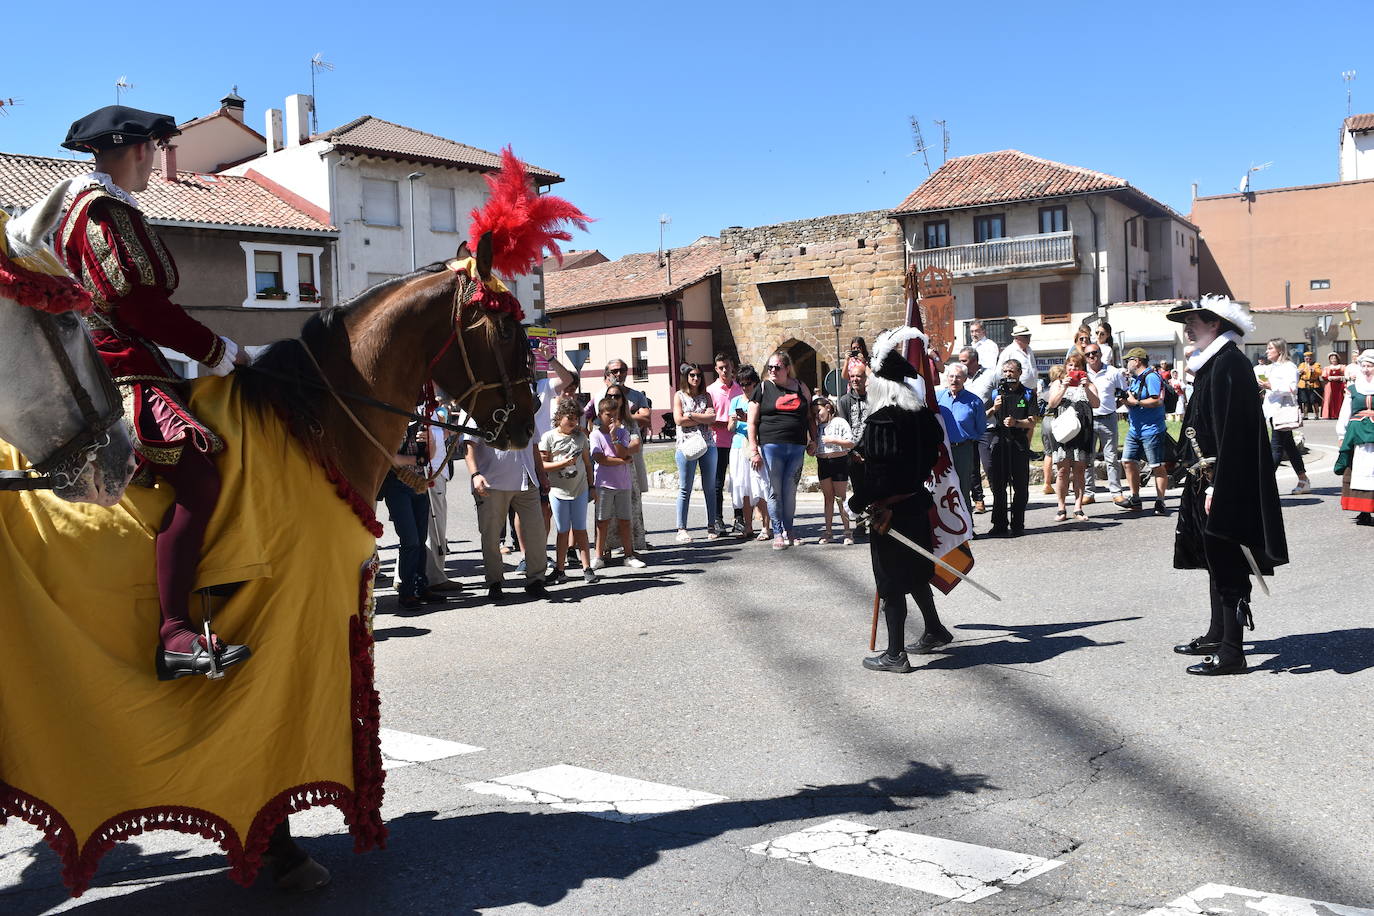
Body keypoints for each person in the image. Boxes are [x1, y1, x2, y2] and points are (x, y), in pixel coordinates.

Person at [56, 105, 250, 680]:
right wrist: (215, 348)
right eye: (160, 150)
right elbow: (138, 304)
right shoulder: (105, 211)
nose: (160, 161)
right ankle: (175, 632)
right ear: (141, 150)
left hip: (123, 360)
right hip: (124, 369)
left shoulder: (85, 209)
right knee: (198, 480)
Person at [1167, 297, 1287, 675]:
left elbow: (1233, 434)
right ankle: (1218, 632)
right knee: (1212, 558)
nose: (1187, 327)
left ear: (1215, 324)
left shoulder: (1229, 363)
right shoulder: (1211, 363)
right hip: (1204, 478)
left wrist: (1218, 487)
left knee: (1228, 562)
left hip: (1223, 481)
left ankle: (1232, 652)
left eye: (1194, 321)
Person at [850, 327, 953, 673]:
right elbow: (928, 453)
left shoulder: (882, 421)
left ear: (881, 383)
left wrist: (857, 503)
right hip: (916, 503)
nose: (865, 385)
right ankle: (935, 629)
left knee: (892, 582)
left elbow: (878, 477)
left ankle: (894, 654)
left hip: (890, 513)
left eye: (869, 380)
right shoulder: (920, 416)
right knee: (917, 572)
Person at [463, 431, 547, 600]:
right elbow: (468, 444)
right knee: (491, 536)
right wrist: (475, 474)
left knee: (537, 532)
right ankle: (494, 582)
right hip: (491, 482)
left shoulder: (525, 408)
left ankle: (536, 580)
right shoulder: (479, 406)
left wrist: (542, 474)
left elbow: (534, 445)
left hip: (526, 479)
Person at [748, 349, 816, 549]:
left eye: (777, 367)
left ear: (787, 368)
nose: (772, 371)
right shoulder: (762, 388)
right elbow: (752, 422)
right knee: (774, 491)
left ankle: (790, 530)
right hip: (771, 446)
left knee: (790, 492)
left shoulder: (801, 387)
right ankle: (777, 532)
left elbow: (809, 416)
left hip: (796, 447)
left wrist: (814, 440)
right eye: (770, 367)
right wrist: (754, 450)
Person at [586, 359, 651, 552]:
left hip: (627, 472)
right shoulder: (599, 408)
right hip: (606, 475)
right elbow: (587, 418)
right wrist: (621, 456)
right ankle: (603, 551)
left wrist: (627, 421)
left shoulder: (635, 400)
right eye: (615, 370)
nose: (619, 373)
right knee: (604, 514)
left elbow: (637, 440)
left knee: (628, 511)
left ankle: (629, 549)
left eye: (622, 369)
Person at [539, 400, 598, 584]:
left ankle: (587, 568)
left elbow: (588, 464)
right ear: (559, 417)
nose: (573, 422)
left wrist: (592, 486)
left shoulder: (580, 437)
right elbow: (542, 465)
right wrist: (563, 464)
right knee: (562, 530)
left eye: (576, 419)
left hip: (579, 490)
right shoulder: (548, 437)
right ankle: (560, 569)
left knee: (580, 529)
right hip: (557, 491)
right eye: (569, 418)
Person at [382, 416, 437, 608]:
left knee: (420, 540)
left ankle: (420, 586)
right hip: (397, 486)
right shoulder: (390, 420)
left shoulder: (421, 420)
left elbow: (431, 455)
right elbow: (388, 456)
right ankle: (406, 592)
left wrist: (430, 440)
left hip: (418, 484)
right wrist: (416, 459)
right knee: (410, 540)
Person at [590, 397, 648, 570]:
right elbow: (600, 458)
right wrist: (622, 462)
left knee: (625, 520)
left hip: (623, 484)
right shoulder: (595, 434)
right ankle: (599, 555)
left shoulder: (622, 432)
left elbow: (622, 453)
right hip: (604, 484)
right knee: (602, 521)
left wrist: (615, 437)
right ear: (600, 415)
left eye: (615, 415)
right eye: (609, 415)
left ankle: (628, 555)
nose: (612, 419)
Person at [1044, 352, 1100, 522]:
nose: (1073, 369)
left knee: (1080, 471)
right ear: (1066, 367)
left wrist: (1085, 386)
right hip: (1063, 432)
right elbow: (1052, 404)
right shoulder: (1058, 383)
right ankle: (1061, 507)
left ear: (1083, 369)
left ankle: (1078, 507)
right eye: (1070, 365)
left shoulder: (1089, 384)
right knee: (1062, 471)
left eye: (1077, 366)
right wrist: (1064, 388)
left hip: (1083, 433)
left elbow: (1096, 404)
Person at [987, 359, 1038, 537]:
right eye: (1005, 371)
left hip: (1019, 443)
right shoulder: (996, 393)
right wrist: (994, 408)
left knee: (1020, 487)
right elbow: (984, 416)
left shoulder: (1028, 394)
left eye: (1011, 371)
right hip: (1000, 442)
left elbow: (1033, 421)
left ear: (1019, 372)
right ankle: (999, 524)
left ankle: (1018, 523)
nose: (1008, 374)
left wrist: (1016, 423)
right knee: (999, 486)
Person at [1257, 339, 1313, 496]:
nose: (1267, 351)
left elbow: (1292, 388)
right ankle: (1303, 479)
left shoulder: (1289, 367)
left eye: (1270, 348)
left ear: (1280, 350)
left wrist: (1271, 386)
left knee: (1275, 448)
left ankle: (1263, 483)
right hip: (1273, 411)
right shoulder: (1271, 368)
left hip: (1282, 411)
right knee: (1289, 446)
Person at [672, 363, 720, 542]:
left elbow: (712, 418)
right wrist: (701, 417)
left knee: (710, 487)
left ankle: (711, 525)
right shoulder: (679, 396)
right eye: (692, 375)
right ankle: (681, 528)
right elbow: (678, 420)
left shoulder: (706, 395)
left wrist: (690, 415)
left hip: (708, 445)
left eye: (699, 375)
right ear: (686, 376)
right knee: (685, 488)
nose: (696, 378)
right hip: (686, 446)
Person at [1120, 347, 1170, 516]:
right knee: (1127, 461)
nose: (1127, 363)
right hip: (1135, 429)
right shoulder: (1135, 379)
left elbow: (1157, 401)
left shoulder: (1151, 377)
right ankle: (1135, 498)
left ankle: (1160, 501)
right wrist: (1125, 399)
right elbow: (1133, 400)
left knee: (1157, 466)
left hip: (1152, 429)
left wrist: (1136, 403)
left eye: (1129, 360)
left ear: (1137, 361)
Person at [936, 363, 984, 523]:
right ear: (947, 378)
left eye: (958, 376)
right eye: (951, 376)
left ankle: (966, 527)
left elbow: (981, 427)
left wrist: (967, 438)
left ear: (965, 378)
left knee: (963, 488)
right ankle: (947, 529)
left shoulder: (974, 401)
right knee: (942, 488)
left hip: (963, 450)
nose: (954, 379)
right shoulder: (938, 398)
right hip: (941, 450)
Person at [728, 366, 772, 540]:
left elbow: (765, 422)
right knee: (743, 487)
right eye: (742, 384)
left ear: (755, 383)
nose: (745, 387)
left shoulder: (761, 400)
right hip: (738, 446)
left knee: (759, 486)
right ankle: (748, 527)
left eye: (748, 383)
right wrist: (733, 421)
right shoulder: (735, 401)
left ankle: (766, 527)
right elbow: (730, 428)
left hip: (756, 445)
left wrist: (750, 419)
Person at [1083, 343, 1128, 505]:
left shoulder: (1113, 372)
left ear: (1100, 354)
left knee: (1111, 458)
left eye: (1094, 353)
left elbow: (1123, 392)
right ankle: (1088, 492)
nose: (1091, 357)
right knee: (1088, 458)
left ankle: (1116, 492)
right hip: (1088, 420)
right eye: (1087, 354)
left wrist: (1112, 408)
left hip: (1108, 418)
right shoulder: (1083, 373)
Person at [1335, 349, 1374, 526]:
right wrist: (1341, 434)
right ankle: (1363, 510)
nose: (1366, 369)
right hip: (1357, 438)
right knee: (1359, 471)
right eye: (1363, 366)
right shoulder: (1353, 389)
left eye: (1370, 366)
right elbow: (1345, 412)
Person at [706, 353, 743, 535]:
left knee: (738, 481)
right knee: (717, 483)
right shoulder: (711, 390)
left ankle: (740, 517)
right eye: (720, 367)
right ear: (716, 369)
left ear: (732, 366)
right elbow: (709, 419)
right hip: (717, 442)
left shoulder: (740, 388)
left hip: (738, 442)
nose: (724, 370)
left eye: (727, 366)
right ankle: (717, 519)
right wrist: (727, 423)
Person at [957, 347, 998, 514]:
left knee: (989, 465)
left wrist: (996, 409)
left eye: (964, 361)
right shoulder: (959, 376)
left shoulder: (990, 375)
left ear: (974, 360)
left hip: (986, 427)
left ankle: (998, 497)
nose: (961, 364)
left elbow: (1001, 393)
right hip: (967, 429)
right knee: (971, 468)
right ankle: (978, 500)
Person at [813, 397, 855, 544]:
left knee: (840, 498)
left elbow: (851, 443)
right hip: (823, 462)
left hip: (839, 461)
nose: (817, 415)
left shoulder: (840, 422)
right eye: (814, 413)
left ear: (828, 407)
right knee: (828, 498)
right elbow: (812, 449)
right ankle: (828, 531)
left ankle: (848, 532)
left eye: (819, 411)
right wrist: (811, 448)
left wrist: (833, 440)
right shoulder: (817, 427)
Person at [998, 324, 1038, 391]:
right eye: (1025, 336)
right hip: (1016, 391)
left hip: (1031, 390)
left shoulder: (1029, 350)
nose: (1028, 338)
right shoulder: (1008, 351)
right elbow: (999, 373)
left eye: (1029, 336)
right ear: (1016, 338)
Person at [1297, 351, 1323, 421]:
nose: (1307, 359)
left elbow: (1320, 373)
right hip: (1303, 384)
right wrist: (1300, 371)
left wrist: (1314, 370)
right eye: (1306, 357)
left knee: (1314, 400)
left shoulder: (1316, 365)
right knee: (1304, 401)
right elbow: (1297, 372)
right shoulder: (1302, 365)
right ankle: (1305, 415)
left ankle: (1316, 415)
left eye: (1309, 358)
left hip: (1313, 384)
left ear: (1312, 358)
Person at [1322, 352, 1347, 420]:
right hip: (1330, 386)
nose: (1333, 360)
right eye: (1331, 358)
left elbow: (1346, 375)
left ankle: (1339, 414)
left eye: (1334, 358)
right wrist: (1329, 378)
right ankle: (1329, 414)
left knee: (1340, 399)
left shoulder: (1342, 367)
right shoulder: (1327, 368)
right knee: (1329, 400)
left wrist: (1340, 377)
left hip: (1340, 385)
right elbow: (1324, 376)